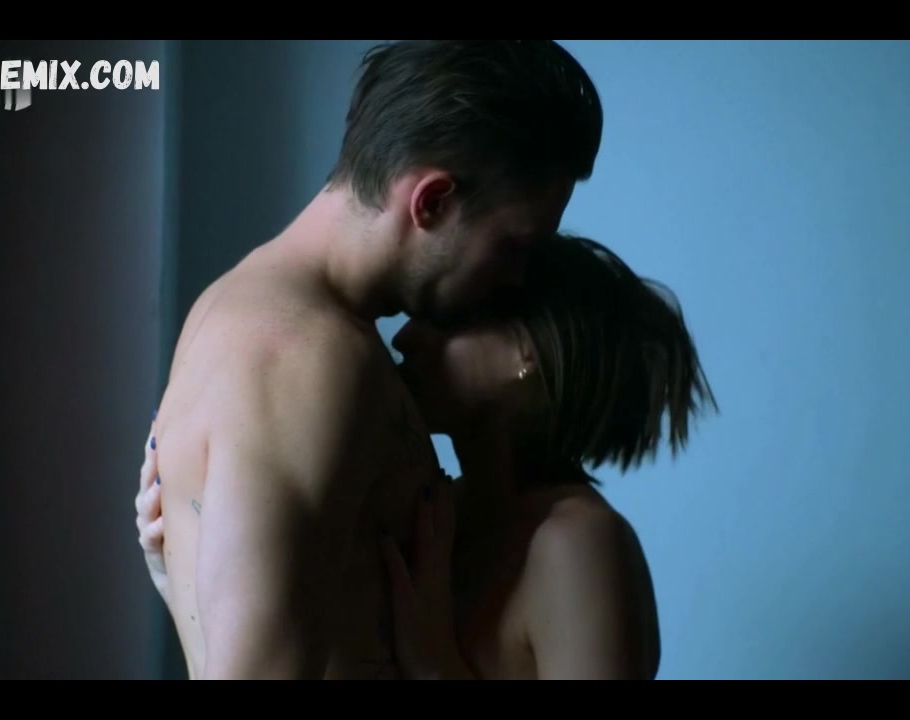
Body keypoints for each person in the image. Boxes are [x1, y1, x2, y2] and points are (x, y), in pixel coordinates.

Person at [146, 40, 603, 680]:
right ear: (433, 201)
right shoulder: (304, 357)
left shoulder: (249, 312)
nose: (517, 279)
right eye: (512, 245)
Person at [136, 232, 718, 679]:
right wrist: (177, 570)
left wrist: (436, 661)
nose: (405, 337)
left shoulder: (578, 544)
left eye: (445, 321)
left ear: (524, 351)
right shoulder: (435, 512)